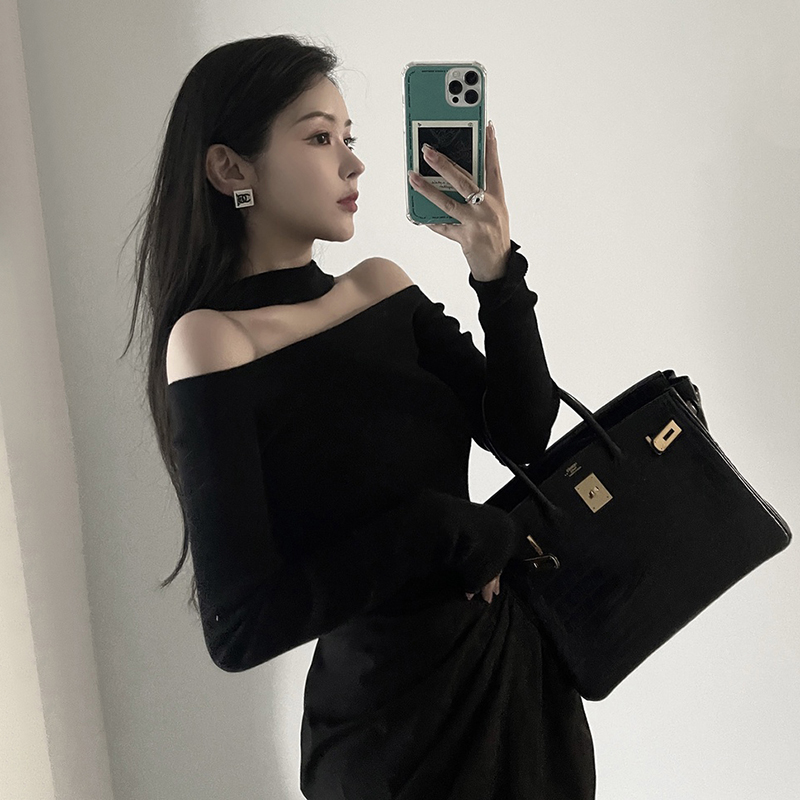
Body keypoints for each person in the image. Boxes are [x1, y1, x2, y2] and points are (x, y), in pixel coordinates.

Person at [123, 33, 596, 799]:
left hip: (514, 682)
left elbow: (521, 432)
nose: (354, 164)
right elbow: (240, 628)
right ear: (230, 169)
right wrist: (440, 528)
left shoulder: (381, 287)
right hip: (388, 738)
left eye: (350, 137)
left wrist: (495, 272)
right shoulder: (213, 342)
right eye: (319, 138)